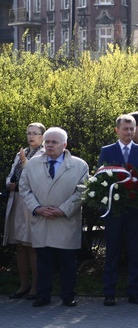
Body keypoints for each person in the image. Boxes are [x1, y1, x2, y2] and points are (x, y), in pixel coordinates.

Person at [19, 127, 89, 307]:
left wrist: (63, 210)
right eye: (47, 142)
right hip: (41, 219)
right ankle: (43, 295)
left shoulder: (80, 165)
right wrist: (37, 208)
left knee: (67, 261)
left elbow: (82, 192)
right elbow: (24, 189)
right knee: (43, 260)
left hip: (65, 220)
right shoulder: (32, 164)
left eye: (54, 142)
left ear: (64, 145)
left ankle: (68, 295)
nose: (49, 145)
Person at [98, 114, 138, 306]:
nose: (129, 132)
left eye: (132, 129)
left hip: (135, 210)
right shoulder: (107, 150)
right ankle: (109, 292)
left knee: (134, 251)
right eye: (125, 129)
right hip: (113, 209)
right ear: (117, 130)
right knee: (112, 250)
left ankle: (134, 291)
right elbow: (100, 179)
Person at [4, 123, 45, 300]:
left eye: (35, 133)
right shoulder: (21, 153)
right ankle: (23, 285)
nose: (31, 136)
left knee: (32, 247)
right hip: (17, 203)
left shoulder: (44, 154)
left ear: (42, 136)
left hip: (32, 204)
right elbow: (11, 175)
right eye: (29, 133)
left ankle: (36, 287)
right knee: (20, 247)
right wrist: (9, 184)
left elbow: (36, 178)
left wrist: (23, 161)